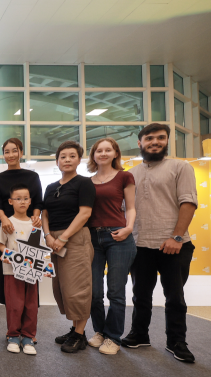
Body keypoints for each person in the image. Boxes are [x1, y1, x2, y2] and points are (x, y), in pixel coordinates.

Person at [121, 123, 198, 363]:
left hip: (174, 244)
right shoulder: (131, 173)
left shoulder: (180, 167)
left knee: (174, 297)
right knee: (140, 294)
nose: (155, 142)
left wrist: (176, 236)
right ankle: (139, 334)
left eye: (161, 138)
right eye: (150, 138)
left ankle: (176, 341)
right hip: (140, 243)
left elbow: (188, 202)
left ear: (167, 141)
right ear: (140, 143)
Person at [41, 140, 96, 353]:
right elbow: (45, 213)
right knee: (62, 289)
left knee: (77, 288)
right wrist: (47, 236)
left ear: (79, 159)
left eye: (72, 156)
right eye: (62, 156)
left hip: (74, 238)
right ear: (57, 161)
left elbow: (85, 213)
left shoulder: (84, 183)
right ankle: (74, 329)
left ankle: (80, 334)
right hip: (53, 239)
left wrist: (62, 238)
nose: (67, 160)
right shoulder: (51, 186)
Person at [86, 138, 136, 355]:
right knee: (94, 292)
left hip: (118, 236)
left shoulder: (125, 176)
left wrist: (128, 228)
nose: (103, 153)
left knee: (115, 291)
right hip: (92, 238)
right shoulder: (87, 181)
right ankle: (100, 331)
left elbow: (131, 208)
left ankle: (113, 337)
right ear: (93, 155)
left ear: (116, 153)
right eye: (99, 150)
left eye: (108, 150)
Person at [0, 138, 43, 341]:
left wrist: (36, 217)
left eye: (14, 151)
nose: (11, 155)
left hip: (30, 226)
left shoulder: (33, 176)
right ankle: (13, 330)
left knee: (30, 281)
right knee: (11, 282)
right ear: (3, 154)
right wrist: (4, 219)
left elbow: (38, 200)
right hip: (8, 226)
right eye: (7, 151)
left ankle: (28, 332)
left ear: (21, 152)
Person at [0, 184, 40, 355]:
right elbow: (1, 244)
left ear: (30, 201)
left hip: (31, 272)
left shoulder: (35, 223)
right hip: (11, 271)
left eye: (26, 198)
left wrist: (44, 265)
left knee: (31, 305)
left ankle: (29, 337)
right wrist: (8, 254)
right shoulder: (7, 222)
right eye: (18, 199)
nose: (22, 202)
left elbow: (39, 248)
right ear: (10, 201)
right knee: (15, 304)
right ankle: (13, 335)